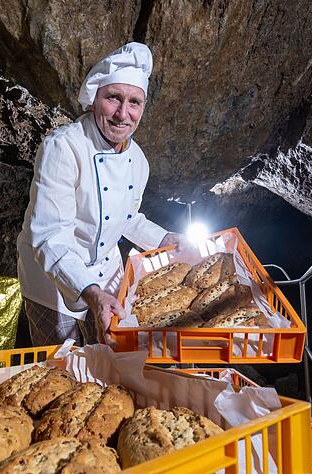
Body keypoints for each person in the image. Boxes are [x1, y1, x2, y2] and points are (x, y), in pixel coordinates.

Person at [17, 42, 187, 346]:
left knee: (113, 362)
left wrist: (163, 240)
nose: (123, 114)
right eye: (114, 98)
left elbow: (127, 217)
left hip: (108, 271)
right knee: (62, 371)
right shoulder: (63, 148)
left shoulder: (138, 161)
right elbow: (50, 236)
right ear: (94, 100)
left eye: (135, 102)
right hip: (53, 278)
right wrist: (91, 292)